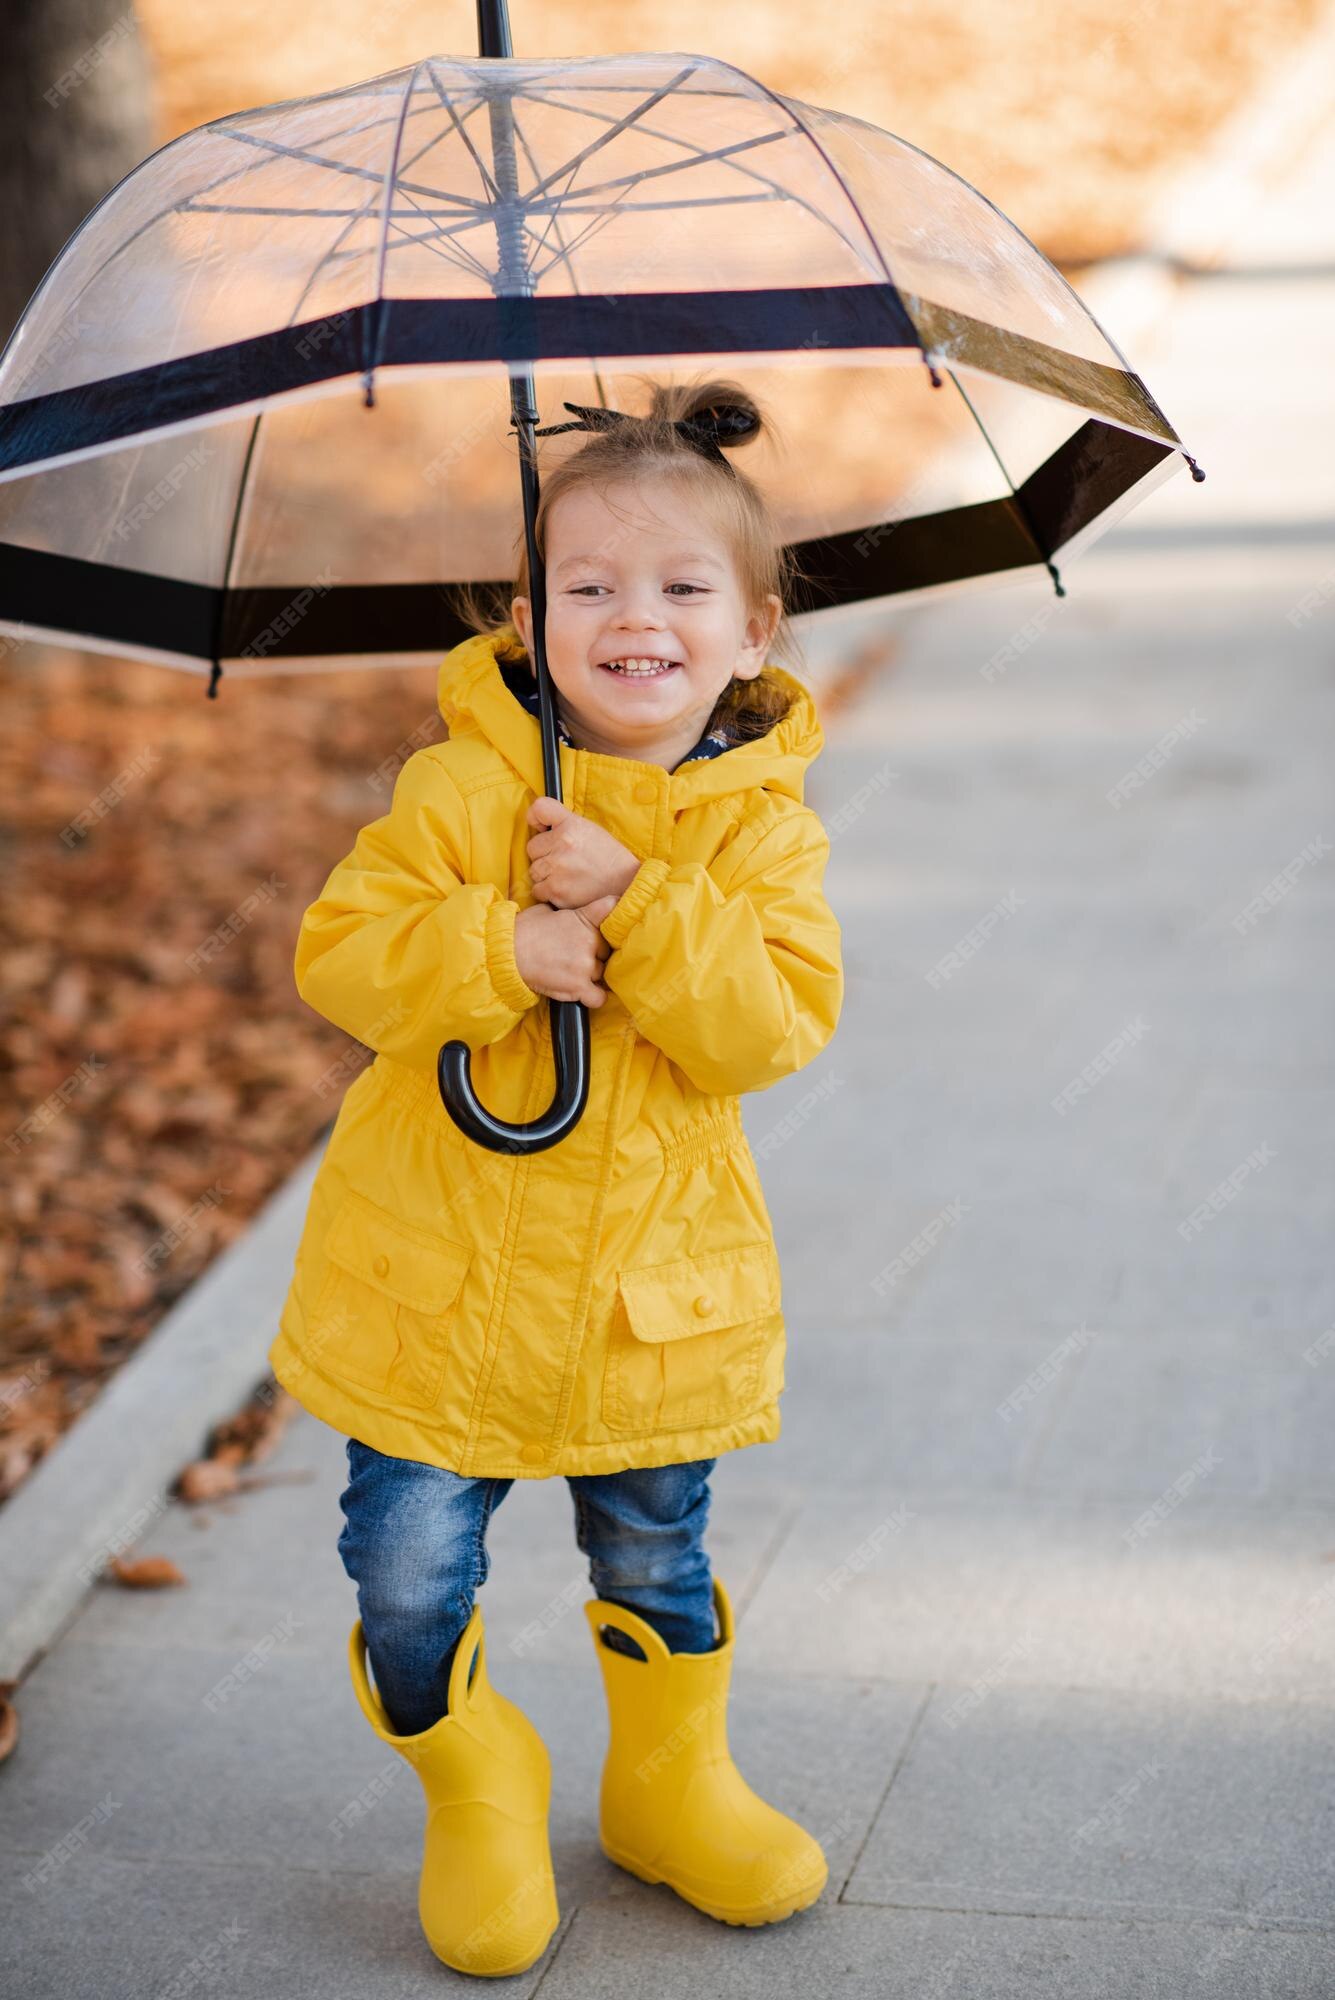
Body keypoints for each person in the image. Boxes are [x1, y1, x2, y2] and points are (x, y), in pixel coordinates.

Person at [267, 375, 844, 1976]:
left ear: (754, 632)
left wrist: (641, 896)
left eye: (679, 589)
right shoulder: (462, 792)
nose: (631, 618)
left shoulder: (763, 832)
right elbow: (343, 959)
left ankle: (669, 1783)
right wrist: (497, 941)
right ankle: (478, 1777)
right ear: (529, 622)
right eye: (588, 587)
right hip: (437, 1294)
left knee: (656, 1549)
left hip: (644, 1304)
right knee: (401, 1579)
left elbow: (768, 1023)